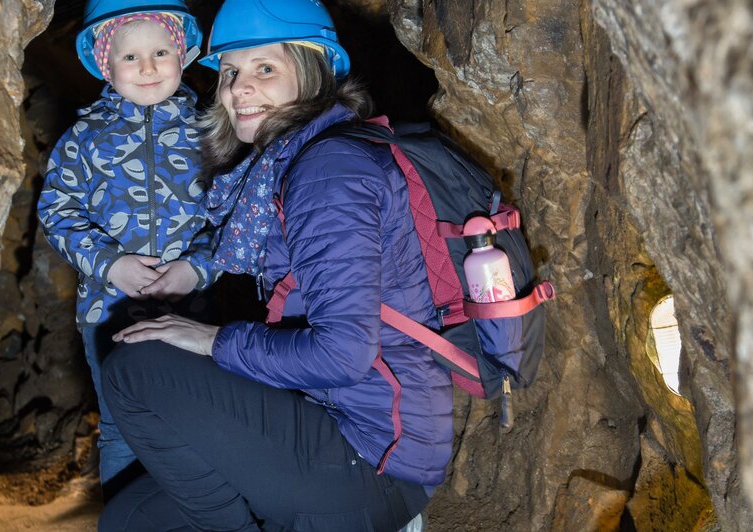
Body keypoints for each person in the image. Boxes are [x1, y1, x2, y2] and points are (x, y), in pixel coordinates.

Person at [99, 0, 454, 529]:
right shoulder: (298, 161)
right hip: (334, 421)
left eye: (265, 68)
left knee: (135, 368)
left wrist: (210, 339)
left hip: (375, 458)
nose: (238, 88)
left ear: (313, 72)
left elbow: (343, 354)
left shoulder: (327, 173)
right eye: (230, 71)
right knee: (132, 520)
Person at [36, 0, 210, 495]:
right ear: (105, 64)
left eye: (160, 52)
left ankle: (188, 517)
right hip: (107, 309)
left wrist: (196, 270)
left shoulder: (210, 134)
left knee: (194, 422)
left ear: (184, 55)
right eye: (130, 57)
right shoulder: (84, 138)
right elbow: (57, 210)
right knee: (120, 428)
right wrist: (110, 264)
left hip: (190, 309)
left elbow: (232, 220)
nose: (148, 67)